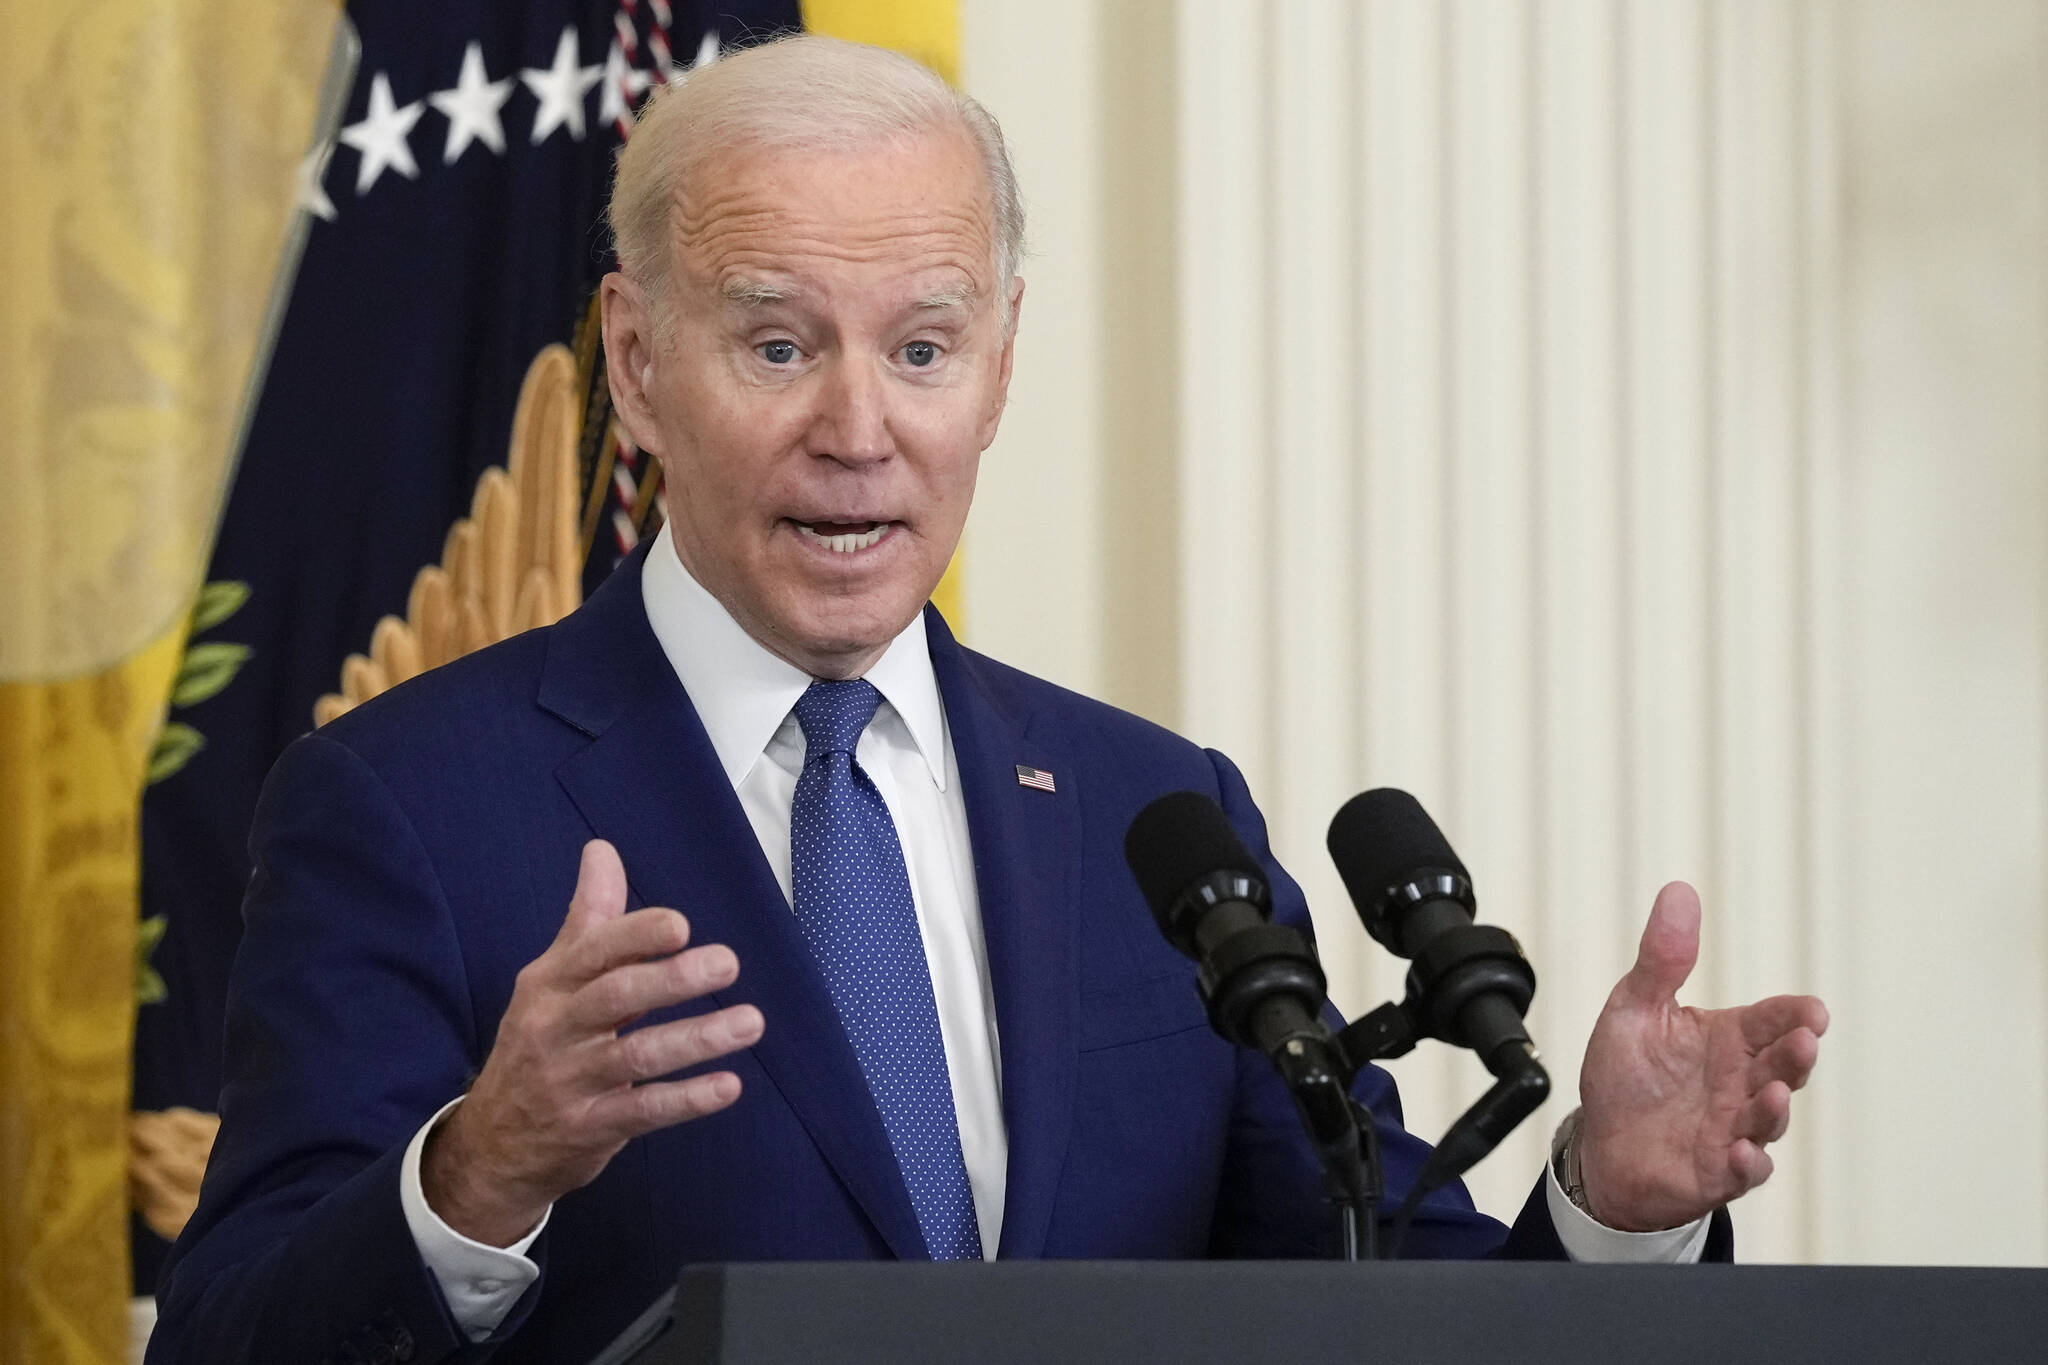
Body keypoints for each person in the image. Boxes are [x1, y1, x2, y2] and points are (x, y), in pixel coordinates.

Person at [149, 34, 1827, 1365]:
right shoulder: (410, 805)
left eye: (927, 349)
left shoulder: (1153, 822)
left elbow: (1380, 1295)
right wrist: (477, 1174)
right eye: (781, 345)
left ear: (1004, 366)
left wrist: (1613, 1203)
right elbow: (228, 1338)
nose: (861, 427)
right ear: (640, 366)